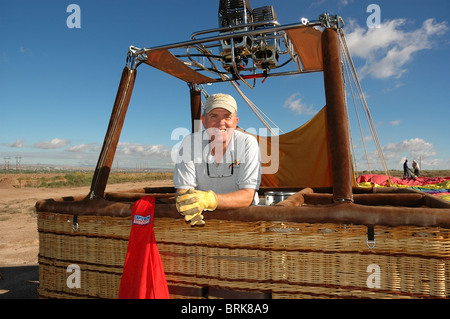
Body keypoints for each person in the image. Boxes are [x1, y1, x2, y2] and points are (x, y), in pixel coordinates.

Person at [173, 93, 262, 226]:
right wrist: (187, 202)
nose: (221, 123)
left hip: (244, 221)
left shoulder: (248, 143)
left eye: (227, 117)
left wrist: (210, 200)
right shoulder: (189, 143)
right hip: (202, 220)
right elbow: (183, 191)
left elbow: (247, 196)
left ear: (236, 122)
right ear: (204, 121)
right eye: (214, 116)